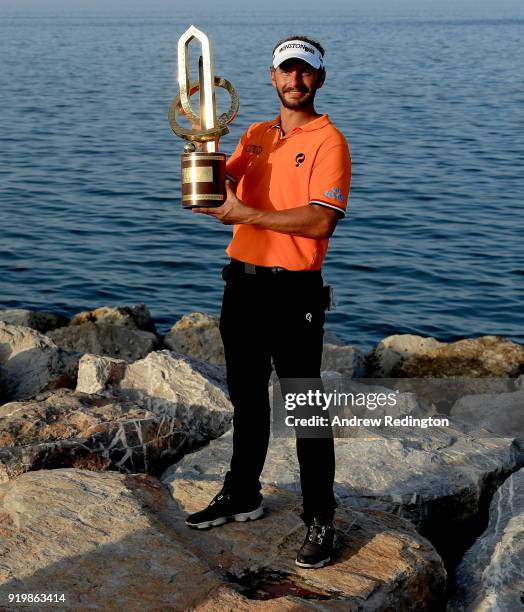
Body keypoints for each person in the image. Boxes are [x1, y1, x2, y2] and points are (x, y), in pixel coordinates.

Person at [184, 35, 351, 569]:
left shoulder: (330, 141)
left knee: (305, 407)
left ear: (319, 80)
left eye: (305, 72)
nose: (295, 80)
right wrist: (203, 149)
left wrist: (244, 216)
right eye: (287, 71)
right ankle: (242, 492)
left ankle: (321, 518)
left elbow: (321, 219)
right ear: (272, 77)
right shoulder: (255, 135)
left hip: (294, 291)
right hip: (242, 286)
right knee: (247, 400)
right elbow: (215, 189)